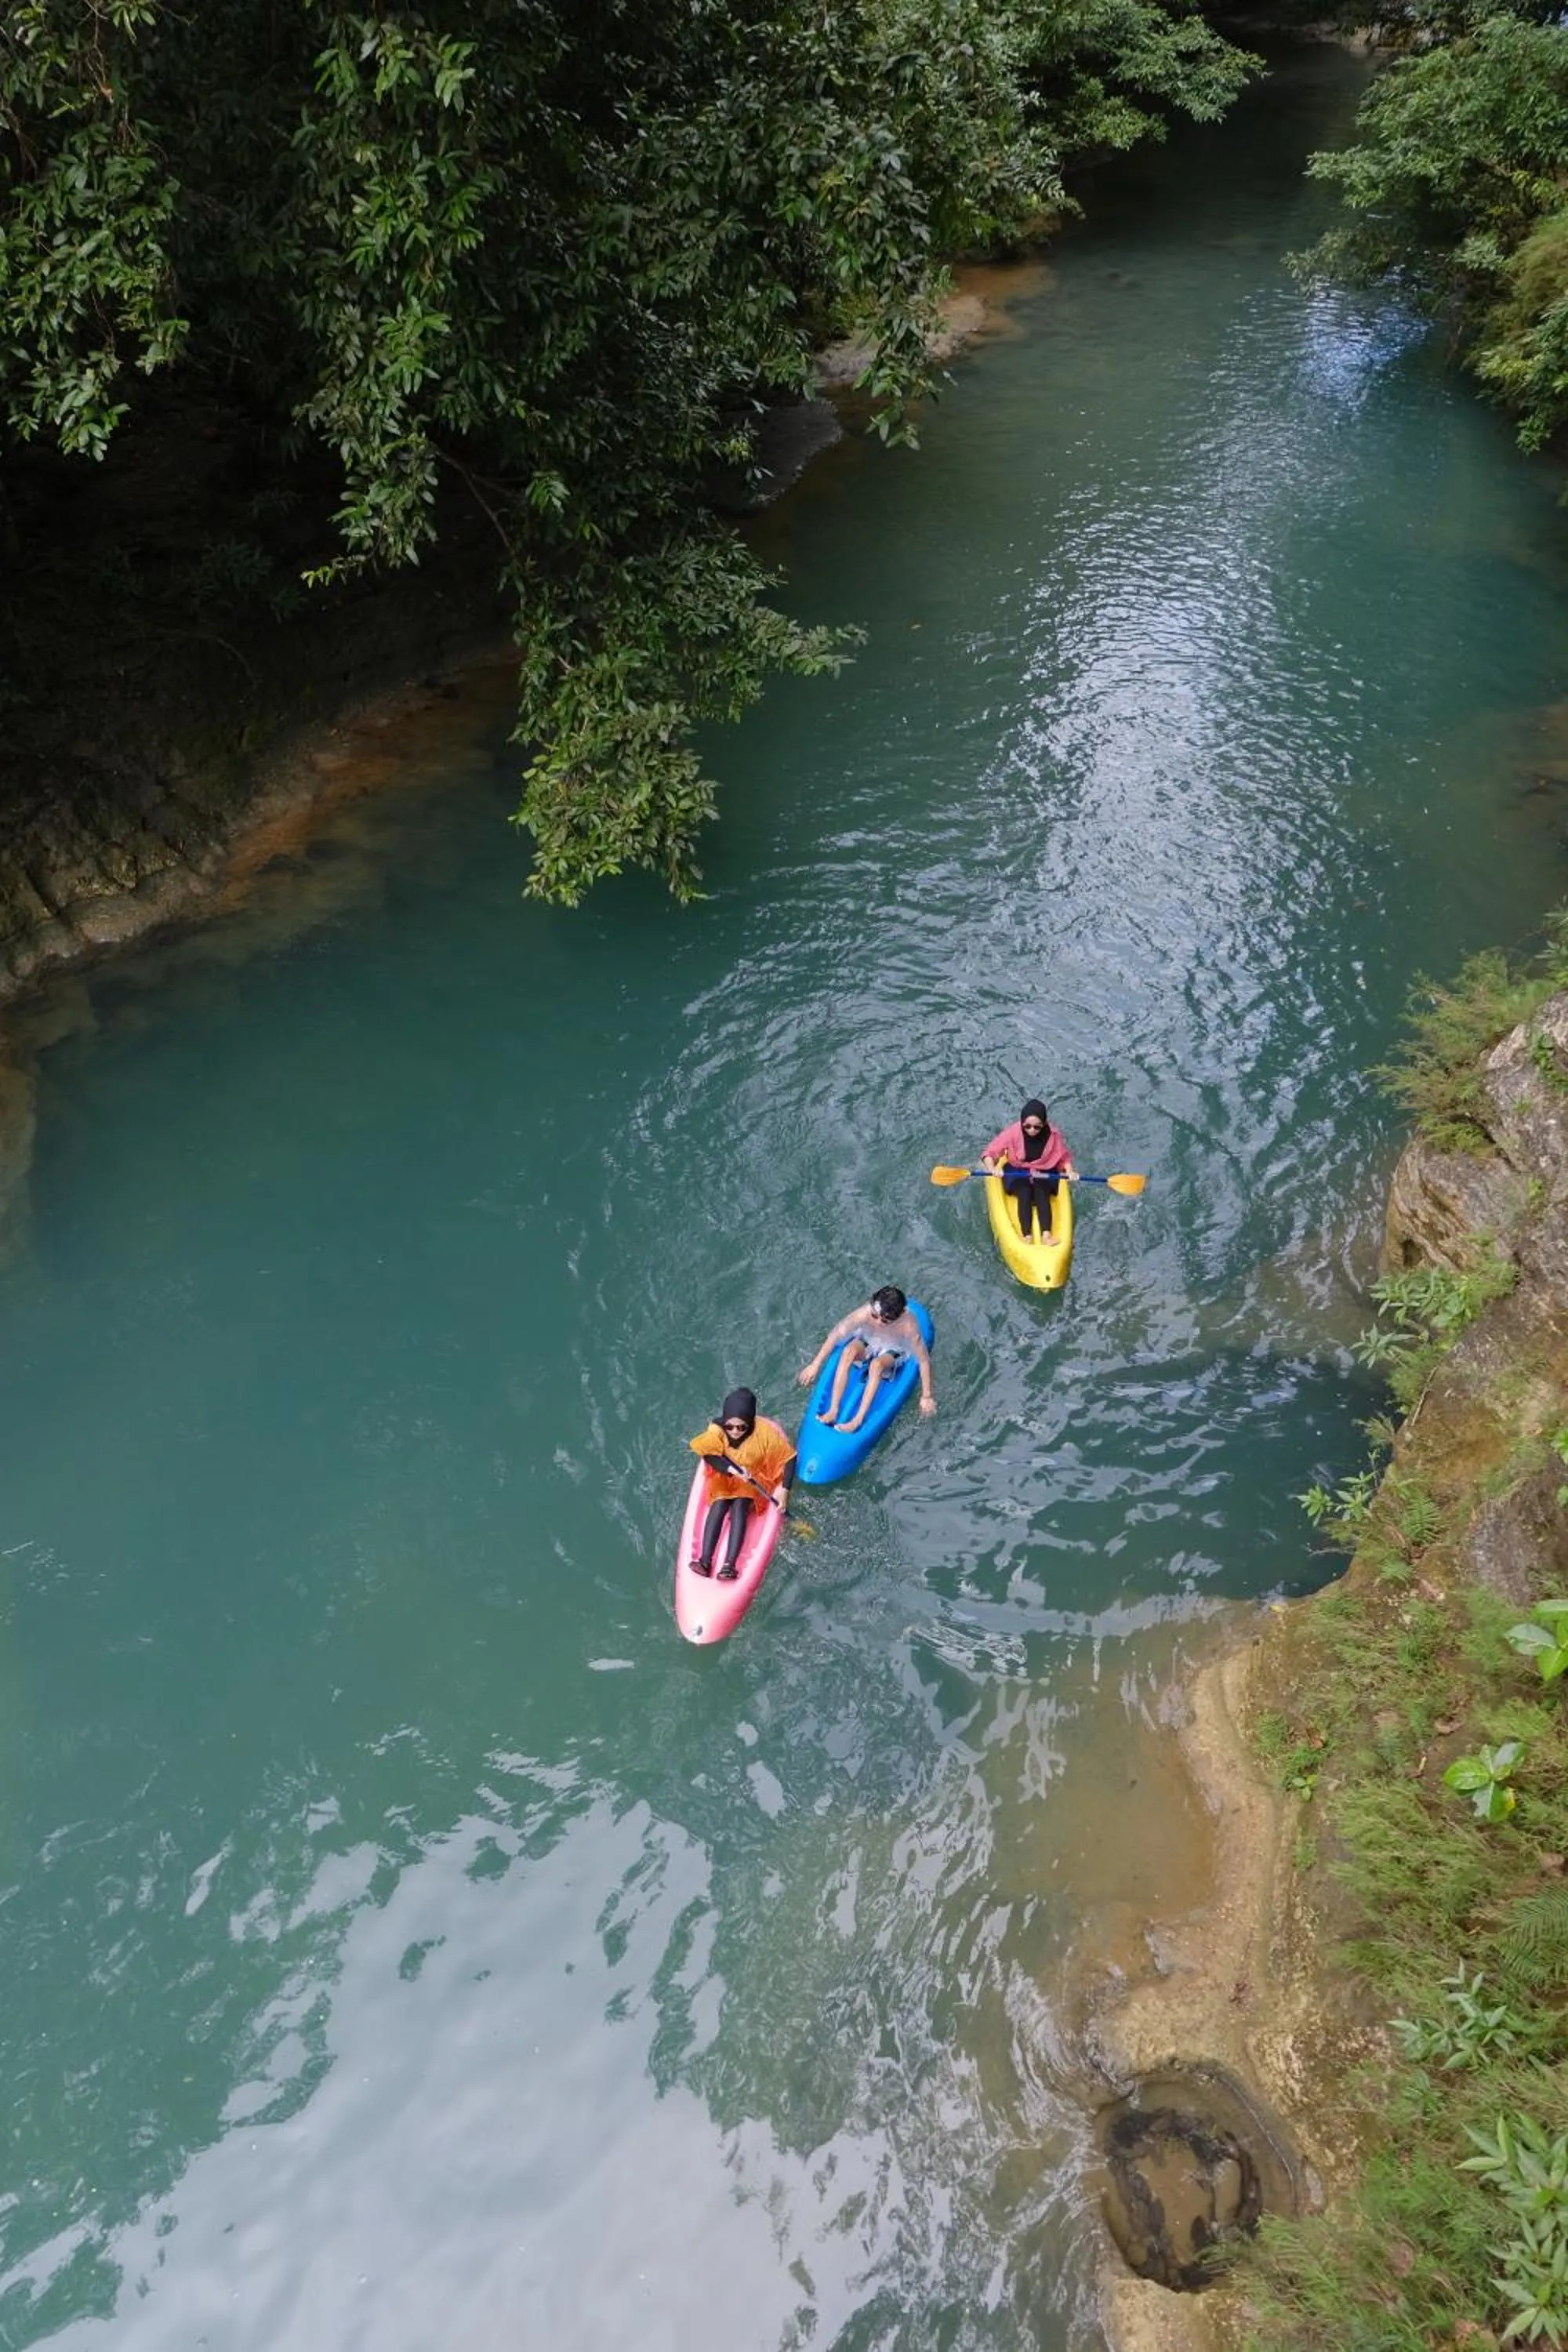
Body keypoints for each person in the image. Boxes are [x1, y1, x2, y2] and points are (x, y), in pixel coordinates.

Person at [796, 1285, 936, 1434]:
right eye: (875, 1316)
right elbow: (836, 1334)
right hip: (870, 1339)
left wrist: (927, 1396)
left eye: (886, 1320)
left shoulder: (908, 1325)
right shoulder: (865, 1313)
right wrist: (815, 1364)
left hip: (895, 1347)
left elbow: (923, 1360)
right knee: (848, 1351)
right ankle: (833, 1409)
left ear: (901, 1314)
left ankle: (858, 1420)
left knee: (876, 1366)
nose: (878, 1322)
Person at [688, 1388, 797, 1580]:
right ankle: (705, 1561)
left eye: (742, 1427)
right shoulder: (716, 1429)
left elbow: (790, 1458)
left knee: (740, 1506)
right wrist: (732, 1471)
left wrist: (785, 1490)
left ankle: (729, 1566)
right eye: (730, 1427)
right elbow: (707, 1453)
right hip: (724, 1476)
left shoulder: (765, 1434)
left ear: (750, 1423)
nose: (735, 1432)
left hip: (752, 1478)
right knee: (719, 1503)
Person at [981, 1098, 1078, 1242]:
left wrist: (1070, 1171)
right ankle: (1027, 1235)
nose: (1032, 1130)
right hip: (1017, 1170)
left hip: (1044, 1170)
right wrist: (993, 1168)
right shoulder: (1012, 1133)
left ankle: (1046, 1235)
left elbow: (1064, 1158)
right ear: (1022, 1123)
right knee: (1024, 1191)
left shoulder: (1054, 1136)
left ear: (1044, 1124)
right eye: (1027, 1126)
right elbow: (989, 1153)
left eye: (1037, 1127)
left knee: (1041, 1191)